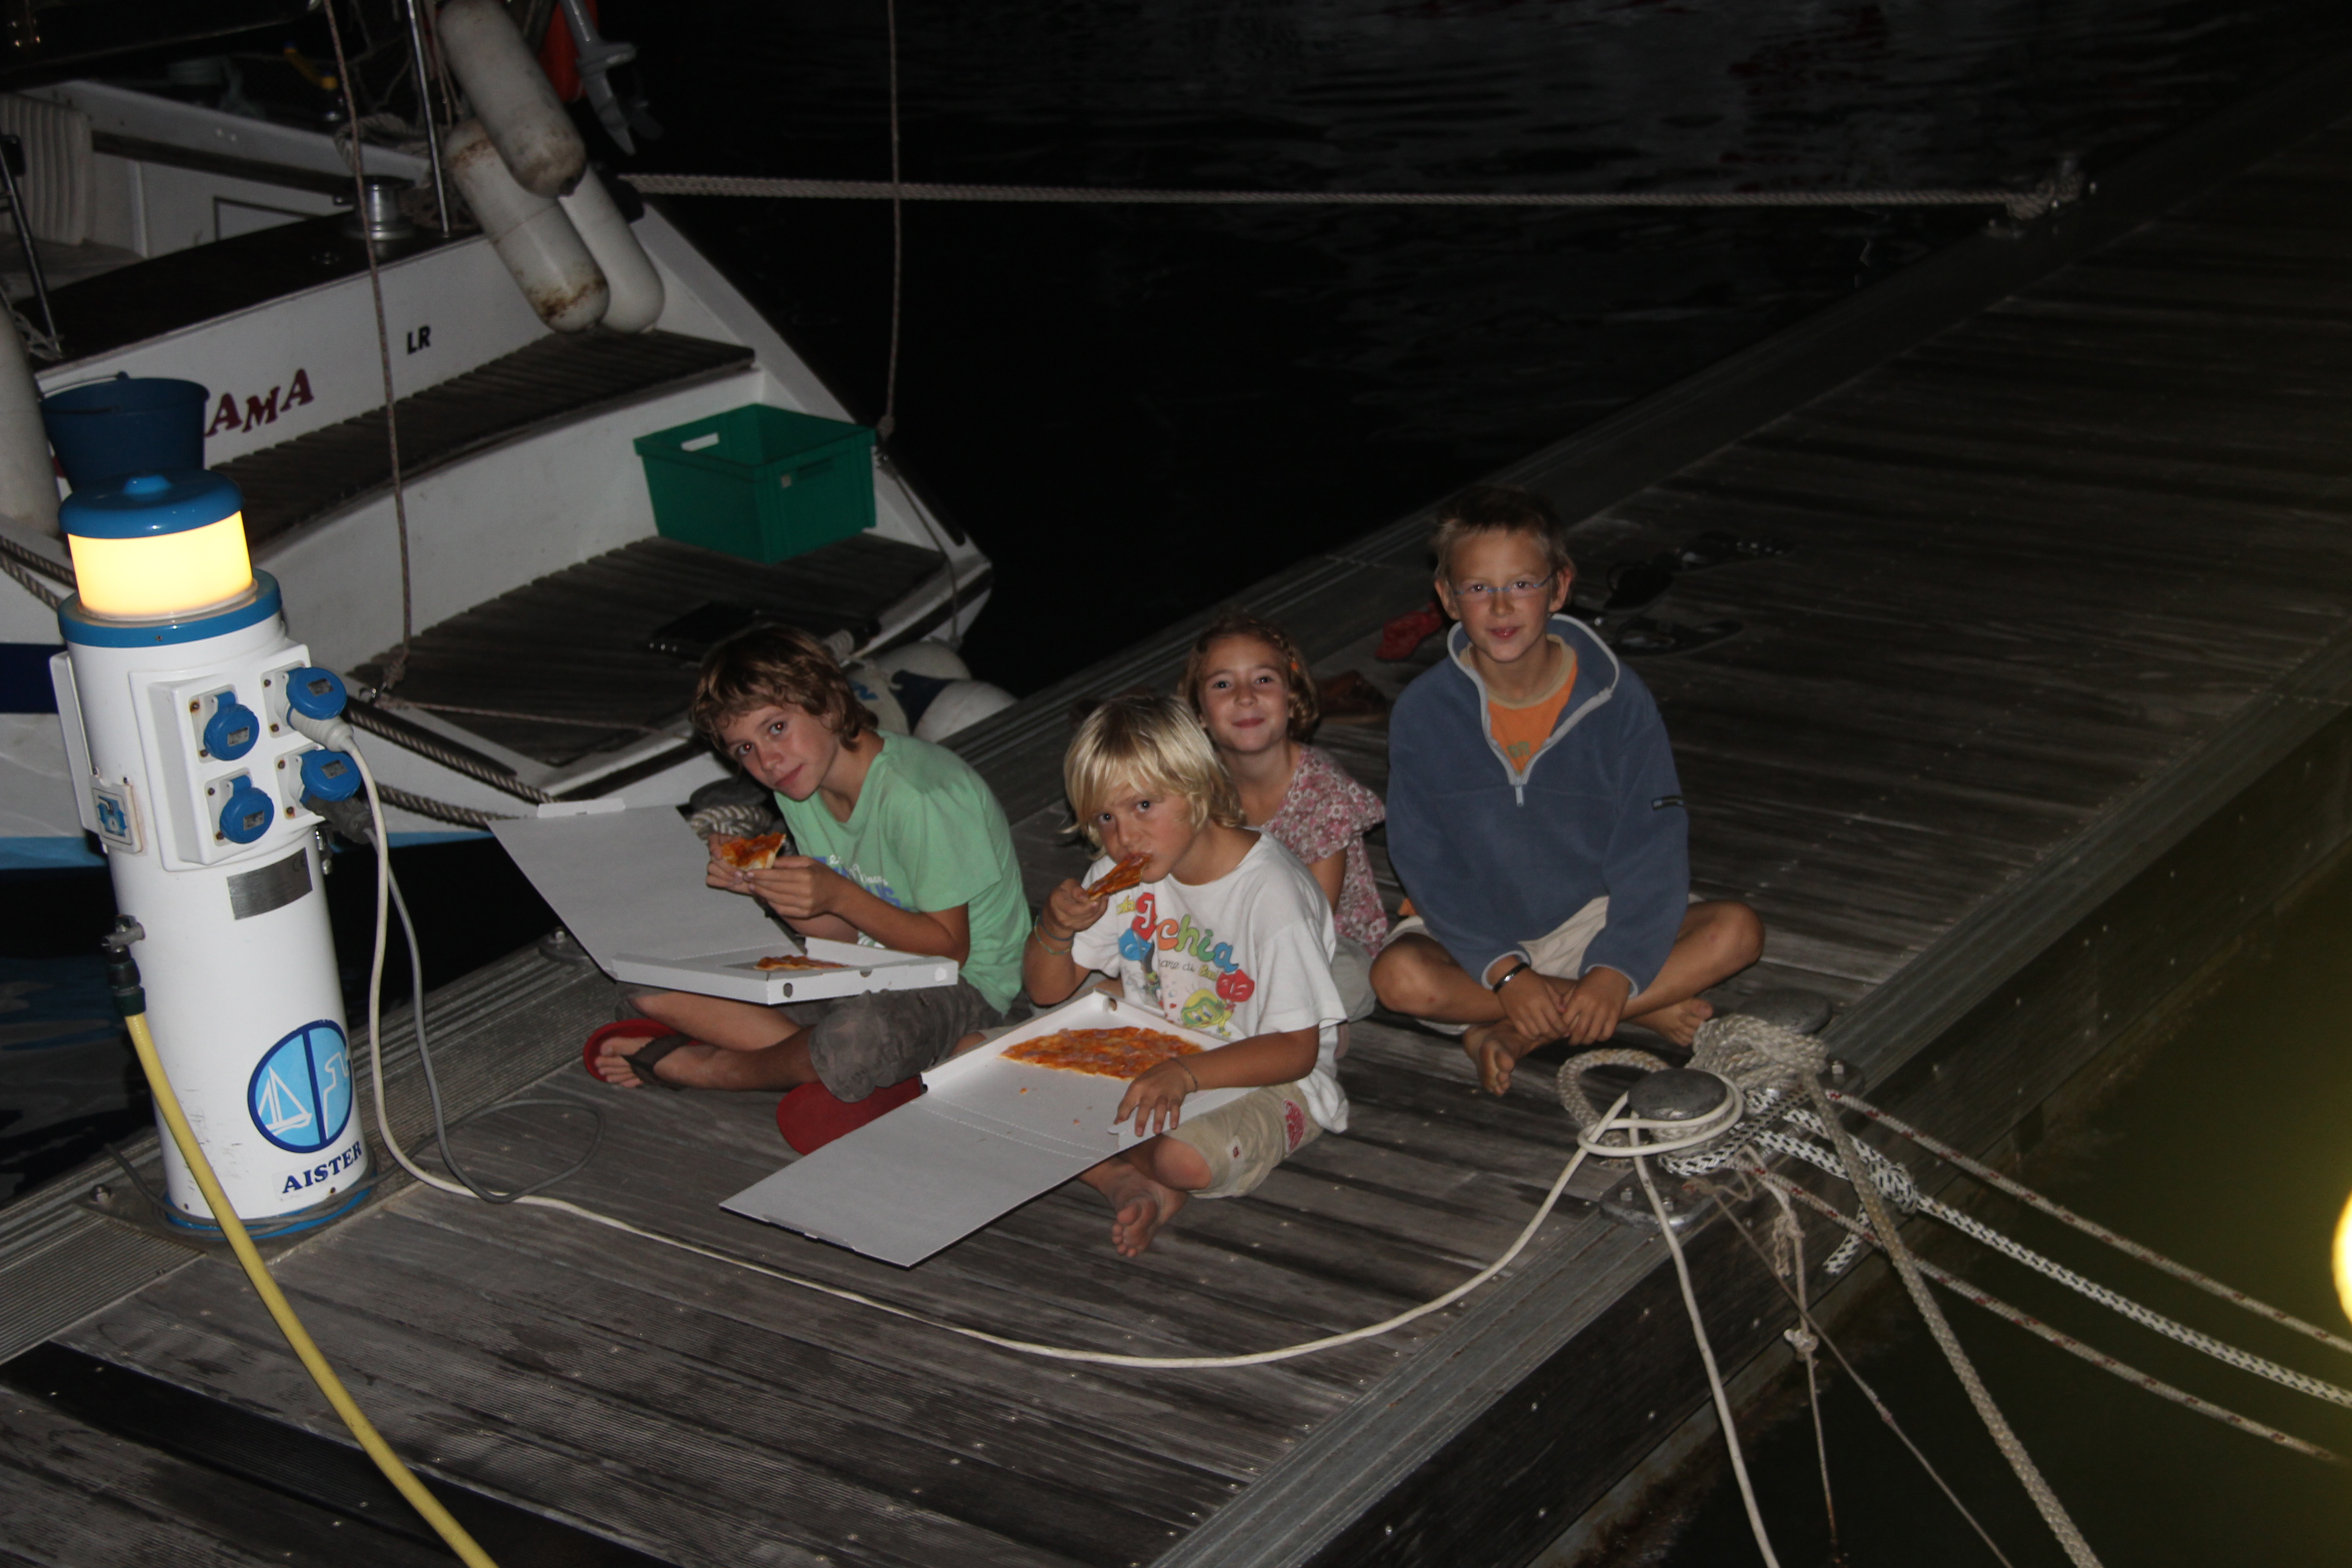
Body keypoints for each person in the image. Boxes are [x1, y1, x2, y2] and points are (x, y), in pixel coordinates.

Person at [1370, 485, 1763, 1095]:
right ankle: (1632, 1009)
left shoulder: (1617, 697)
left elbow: (1652, 845)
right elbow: (1424, 862)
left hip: (1591, 918)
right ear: (1447, 598)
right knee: (1399, 979)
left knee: (1737, 931)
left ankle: (1528, 1027)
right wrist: (1506, 975)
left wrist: (1616, 968)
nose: (1502, 606)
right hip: (1473, 937)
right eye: (1479, 588)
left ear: (1559, 588)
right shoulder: (1423, 712)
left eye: (1522, 584)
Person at [586, 626, 1029, 1151]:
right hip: (867, 965)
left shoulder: (920, 796)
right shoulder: (801, 788)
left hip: (967, 985)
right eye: (746, 748)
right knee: (647, 988)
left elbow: (951, 950)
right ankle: (844, 1071)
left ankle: (711, 1068)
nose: (767, 762)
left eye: (777, 728)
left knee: (854, 1038)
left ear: (828, 704)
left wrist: (839, 894)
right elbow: (839, 935)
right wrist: (766, 884)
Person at [1027, 692, 1348, 1257]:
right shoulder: (1119, 872)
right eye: (1106, 818)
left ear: (1197, 789)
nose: (1125, 838)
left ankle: (1135, 1163)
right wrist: (1054, 929)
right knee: (968, 1061)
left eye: (1144, 806)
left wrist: (1184, 1074)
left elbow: (1296, 1050)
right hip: (1150, 1049)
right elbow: (1047, 989)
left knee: (1184, 1160)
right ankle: (1124, 1179)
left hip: (1263, 1072)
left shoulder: (1270, 892)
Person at [1179, 611, 1389, 1020]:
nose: (1245, 696)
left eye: (1263, 680)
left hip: (1322, 937)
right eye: (1222, 684)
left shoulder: (1322, 790)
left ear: (1292, 700)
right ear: (1200, 713)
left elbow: (1313, 915)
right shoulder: (1199, 788)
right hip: (1224, 931)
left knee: (1350, 982)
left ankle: (1294, 1025)